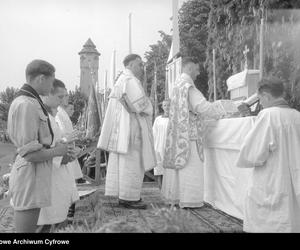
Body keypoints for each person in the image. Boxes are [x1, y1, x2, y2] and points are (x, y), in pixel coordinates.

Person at [7, 60, 72, 232]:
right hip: (29, 175)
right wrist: (58, 150)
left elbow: (37, 144)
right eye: (52, 81)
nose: (52, 87)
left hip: (34, 175)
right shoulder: (26, 104)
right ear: (41, 78)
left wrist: (54, 147)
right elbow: (29, 154)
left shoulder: (32, 102)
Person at [236, 77, 300, 233]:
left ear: (266, 96)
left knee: (270, 221)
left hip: (274, 177)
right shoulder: (297, 115)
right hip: (295, 178)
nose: (260, 103)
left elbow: (254, 153)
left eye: (260, 99)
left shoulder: (268, 115)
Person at [162, 57, 224, 208]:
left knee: (181, 167)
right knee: (191, 166)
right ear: (189, 68)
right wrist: (221, 111)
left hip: (178, 132)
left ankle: (177, 197)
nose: (198, 73)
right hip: (190, 134)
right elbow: (202, 107)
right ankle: (190, 199)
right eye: (196, 69)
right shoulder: (188, 86)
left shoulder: (176, 85)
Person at [97, 54, 156, 209]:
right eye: (139, 64)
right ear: (129, 65)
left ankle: (123, 196)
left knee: (122, 164)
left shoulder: (120, 80)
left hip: (121, 131)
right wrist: (151, 106)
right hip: (131, 130)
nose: (141, 68)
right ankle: (129, 198)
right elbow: (142, 105)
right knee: (132, 163)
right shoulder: (130, 81)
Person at [37, 79, 79, 232]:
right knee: (45, 221)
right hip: (47, 174)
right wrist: (64, 151)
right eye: (60, 97)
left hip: (57, 171)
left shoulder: (52, 113)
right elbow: (43, 146)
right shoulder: (42, 115)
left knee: (55, 217)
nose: (63, 101)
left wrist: (69, 151)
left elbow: (56, 140)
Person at [152, 99, 170, 189]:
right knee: (159, 168)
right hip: (158, 146)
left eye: (169, 105)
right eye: (165, 105)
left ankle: (169, 190)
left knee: (169, 169)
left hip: (169, 147)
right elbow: (154, 133)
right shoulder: (158, 119)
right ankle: (161, 189)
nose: (167, 107)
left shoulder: (174, 119)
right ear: (162, 107)